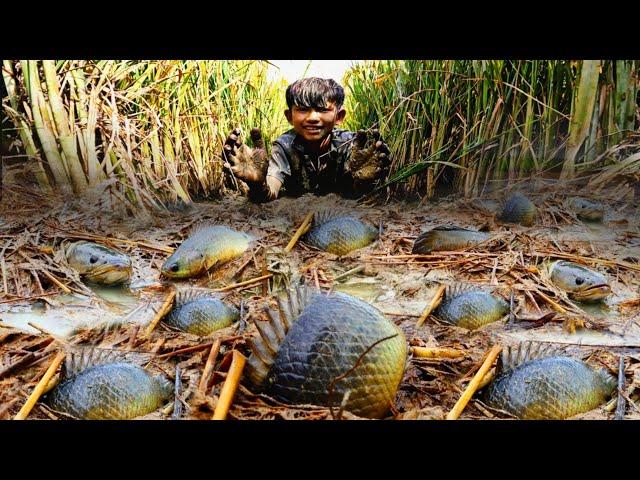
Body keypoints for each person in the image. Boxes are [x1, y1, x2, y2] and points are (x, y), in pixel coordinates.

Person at [222, 77, 391, 202]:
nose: (312, 118)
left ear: (339, 116)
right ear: (289, 116)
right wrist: (258, 184)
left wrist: (364, 183)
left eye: (322, 110)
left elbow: (362, 198)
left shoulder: (351, 146)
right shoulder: (284, 146)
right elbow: (270, 192)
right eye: (303, 110)